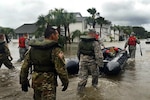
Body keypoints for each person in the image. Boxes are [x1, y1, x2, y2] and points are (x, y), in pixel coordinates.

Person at [19, 26, 69, 100]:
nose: (58, 37)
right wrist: (65, 82)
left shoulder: (33, 49)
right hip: (48, 84)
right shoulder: (55, 50)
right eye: (57, 35)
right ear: (52, 35)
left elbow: (24, 67)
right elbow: (61, 69)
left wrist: (23, 81)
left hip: (36, 81)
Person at [77, 29, 104, 93]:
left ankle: (80, 91)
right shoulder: (95, 43)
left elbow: (78, 53)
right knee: (95, 76)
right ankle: (94, 90)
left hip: (82, 61)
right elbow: (99, 55)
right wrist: (100, 65)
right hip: (92, 63)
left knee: (83, 78)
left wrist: (80, 60)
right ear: (93, 34)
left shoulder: (81, 42)